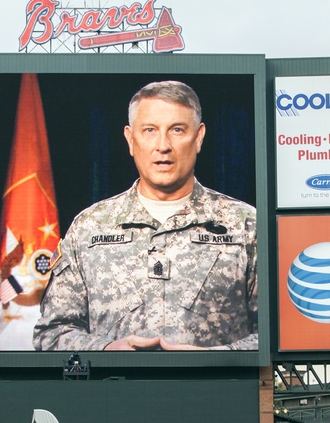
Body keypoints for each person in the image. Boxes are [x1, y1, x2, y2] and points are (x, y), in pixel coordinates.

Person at [33, 80, 257, 351]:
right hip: (114, 392)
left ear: (198, 138)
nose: (162, 145)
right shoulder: (89, 226)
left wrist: (209, 359)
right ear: (130, 139)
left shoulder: (245, 224)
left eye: (177, 130)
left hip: (213, 392)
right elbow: (52, 333)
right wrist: (107, 351)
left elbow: (275, 336)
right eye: (150, 130)